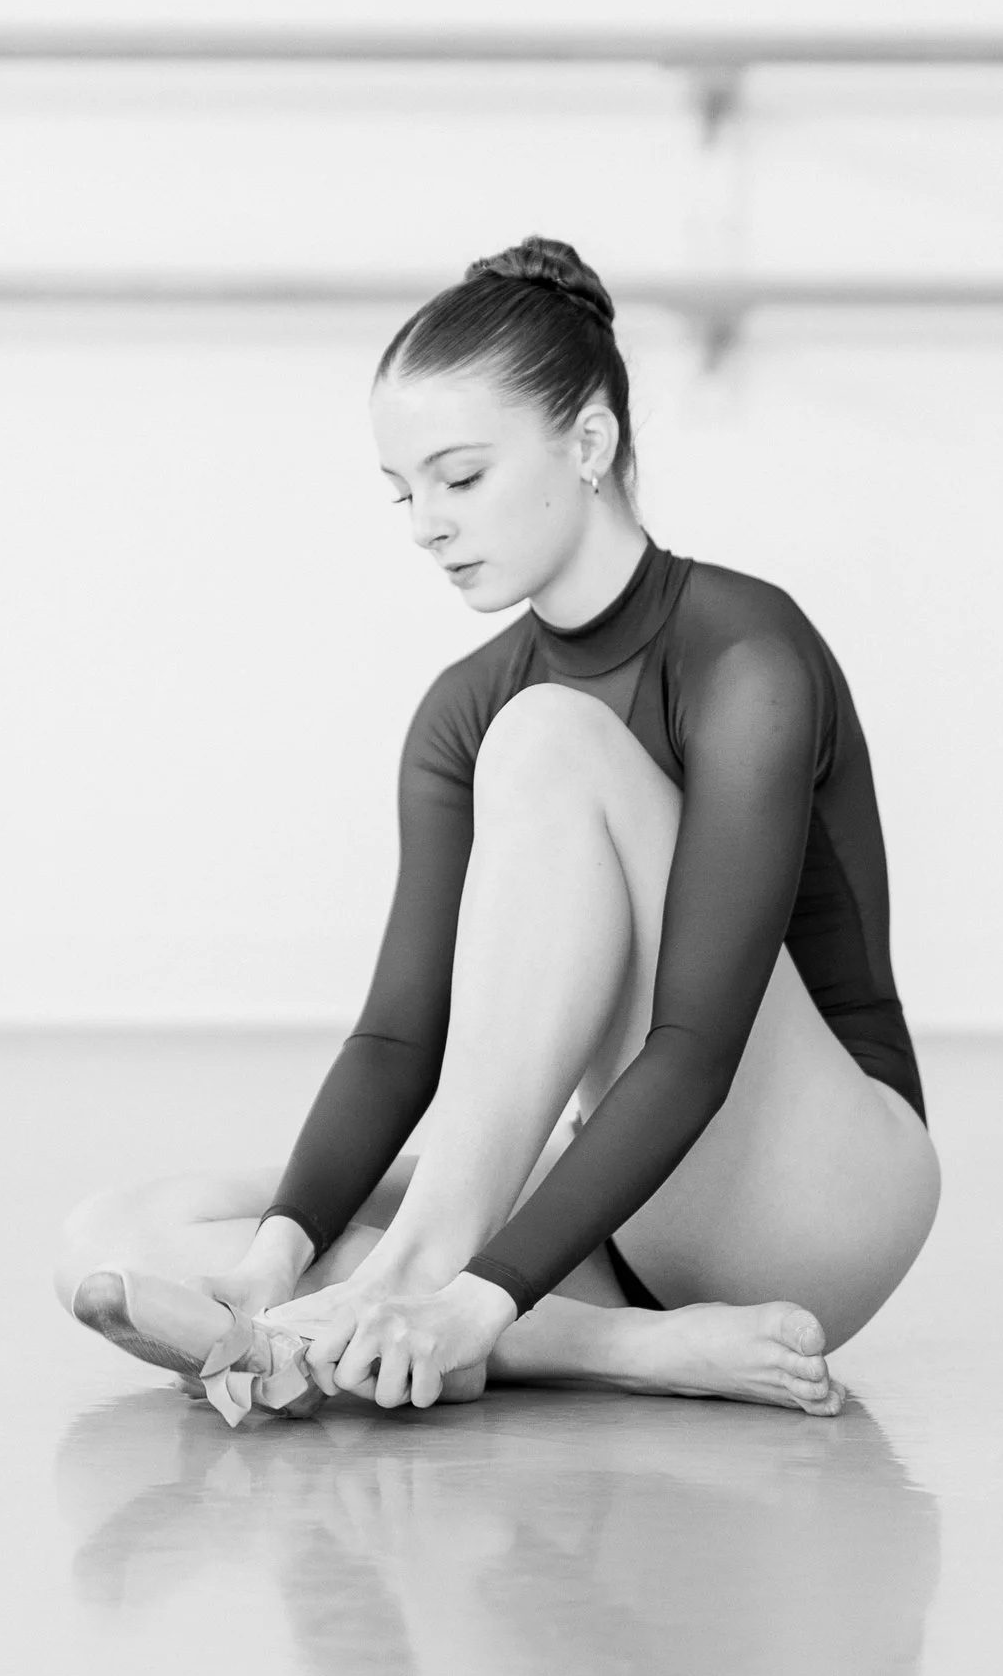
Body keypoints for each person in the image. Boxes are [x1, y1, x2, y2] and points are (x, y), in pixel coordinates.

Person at [55, 238, 939, 1417]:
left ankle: (442, 1291)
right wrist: (270, 1256)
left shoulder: (741, 653)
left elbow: (694, 1047)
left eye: (459, 477)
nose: (425, 522)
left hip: (814, 1194)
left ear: (587, 442)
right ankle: (621, 1350)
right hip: (621, 1208)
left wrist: (481, 1281)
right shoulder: (463, 705)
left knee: (549, 734)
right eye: (402, 489)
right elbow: (398, 1042)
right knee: (117, 1236)